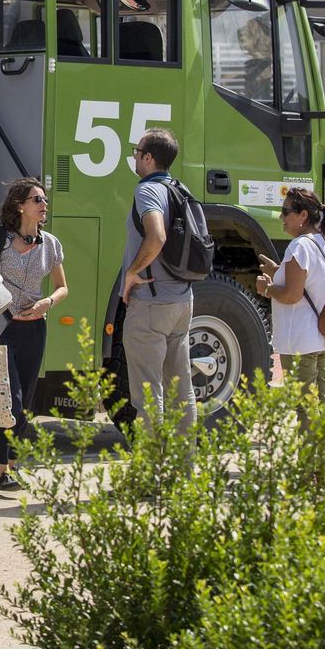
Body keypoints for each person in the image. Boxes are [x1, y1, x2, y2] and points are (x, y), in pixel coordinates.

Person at [0, 178, 68, 490]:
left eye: (44, 199)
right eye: (36, 199)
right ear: (20, 206)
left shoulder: (51, 244)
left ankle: (11, 468)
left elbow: (62, 287)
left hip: (34, 329)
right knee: (10, 401)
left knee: (26, 402)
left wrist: (47, 302)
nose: (44, 205)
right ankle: (1, 469)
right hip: (3, 325)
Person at [119, 128, 198, 432]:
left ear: (149, 157)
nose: (135, 158)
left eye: (137, 152)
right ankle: (182, 465)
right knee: (182, 391)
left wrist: (131, 272)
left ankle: (151, 470)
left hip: (151, 303)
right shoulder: (180, 188)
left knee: (148, 395)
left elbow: (157, 236)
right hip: (182, 300)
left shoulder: (147, 190)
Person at [255, 188, 325, 404]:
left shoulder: (299, 246)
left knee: (306, 406)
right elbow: (309, 282)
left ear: (303, 216)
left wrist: (266, 288)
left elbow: (292, 295)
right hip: (320, 338)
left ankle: (313, 440)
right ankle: (323, 439)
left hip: (301, 341)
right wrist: (277, 271)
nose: (282, 217)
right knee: (321, 400)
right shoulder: (322, 242)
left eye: (285, 211)